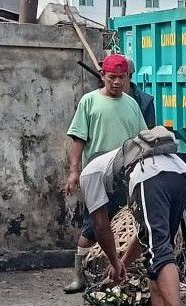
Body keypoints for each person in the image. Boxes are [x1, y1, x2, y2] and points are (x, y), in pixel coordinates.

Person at [63, 54, 148, 294]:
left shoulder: (131, 104)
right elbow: (78, 139)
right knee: (93, 228)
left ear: (128, 78)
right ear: (103, 76)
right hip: (97, 176)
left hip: (126, 175)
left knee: (131, 226)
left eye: (122, 78)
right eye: (112, 77)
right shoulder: (89, 102)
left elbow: (142, 139)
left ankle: (126, 274)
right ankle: (78, 277)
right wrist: (73, 172)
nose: (117, 82)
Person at [79, 127, 186, 306]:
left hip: (151, 174)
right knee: (157, 251)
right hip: (182, 173)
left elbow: (100, 227)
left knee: (159, 254)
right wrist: (123, 262)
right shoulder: (119, 164)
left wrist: (115, 264)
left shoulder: (88, 174)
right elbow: (144, 237)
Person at [124, 57, 156, 129]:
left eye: (120, 76)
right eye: (111, 76)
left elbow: (149, 134)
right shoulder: (100, 99)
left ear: (128, 75)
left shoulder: (145, 102)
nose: (116, 81)